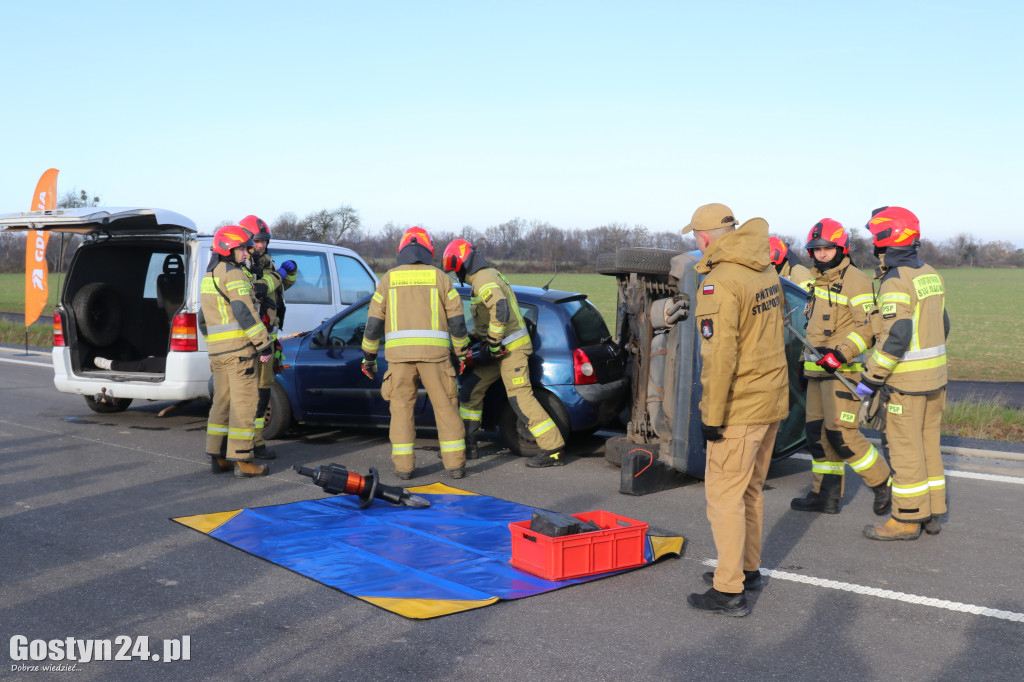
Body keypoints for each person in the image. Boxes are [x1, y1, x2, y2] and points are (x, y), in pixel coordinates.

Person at [682, 203, 789, 618]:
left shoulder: (719, 282)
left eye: (696, 236)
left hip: (741, 406)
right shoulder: (764, 269)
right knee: (750, 491)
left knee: (724, 497)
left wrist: (712, 416)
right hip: (771, 399)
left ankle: (728, 590)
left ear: (705, 237)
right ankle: (747, 568)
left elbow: (720, 355)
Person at [790, 219, 893, 516]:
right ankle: (825, 495)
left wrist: (840, 354)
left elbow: (868, 328)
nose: (822, 254)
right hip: (816, 373)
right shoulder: (817, 280)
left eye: (828, 249)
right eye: (816, 249)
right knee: (817, 436)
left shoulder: (856, 281)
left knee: (842, 435)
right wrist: (803, 366)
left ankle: (882, 482)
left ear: (842, 248)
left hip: (842, 372)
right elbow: (813, 329)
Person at [858, 206, 950, 540]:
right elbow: (943, 325)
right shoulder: (930, 273)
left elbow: (896, 337)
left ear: (886, 238)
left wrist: (871, 379)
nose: (873, 244)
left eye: (875, 237)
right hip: (935, 381)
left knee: (905, 450)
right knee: (928, 446)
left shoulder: (896, 279)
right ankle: (932, 512)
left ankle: (907, 519)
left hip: (906, 386)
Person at [442, 238, 567, 468]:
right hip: (500, 349)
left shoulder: (483, 279)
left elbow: (499, 307)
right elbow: (488, 320)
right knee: (470, 389)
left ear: (460, 265)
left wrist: (492, 343)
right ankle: (468, 443)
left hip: (511, 349)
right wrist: (474, 337)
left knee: (520, 397)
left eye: (454, 270)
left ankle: (553, 448)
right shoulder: (483, 278)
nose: (455, 275)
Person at [361, 227, 471, 480]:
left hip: (399, 359)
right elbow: (457, 321)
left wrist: (369, 356)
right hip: (436, 357)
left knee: (401, 411)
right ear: (428, 250)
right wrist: (462, 353)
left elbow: (374, 323)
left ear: (402, 250)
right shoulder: (441, 278)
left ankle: (404, 468)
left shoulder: (388, 279)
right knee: (446, 408)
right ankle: (455, 465)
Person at [197, 225, 274, 477]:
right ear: (227, 249)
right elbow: (244, 312)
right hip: (239, 351)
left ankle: (218, 456)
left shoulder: (209, 276)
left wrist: (213, 346)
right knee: (244, 404)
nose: (246, 253)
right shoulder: (235, 274)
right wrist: (263, 343)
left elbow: (201, 319)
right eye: (241, 249)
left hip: (218, 353)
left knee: (222, 401)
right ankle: (243, 460)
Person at [239, 214, 298, 459]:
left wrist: (290, 274)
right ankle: (240, 446)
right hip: (250, 342)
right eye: (257, 241)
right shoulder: (241, 265)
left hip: (268, 340)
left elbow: (278, 289)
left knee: (264, 392)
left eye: (265, 240)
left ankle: (257, 441)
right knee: (247, 395)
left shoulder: (265, 261)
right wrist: (279, 275)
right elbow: (259, 289)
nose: (262, 245)